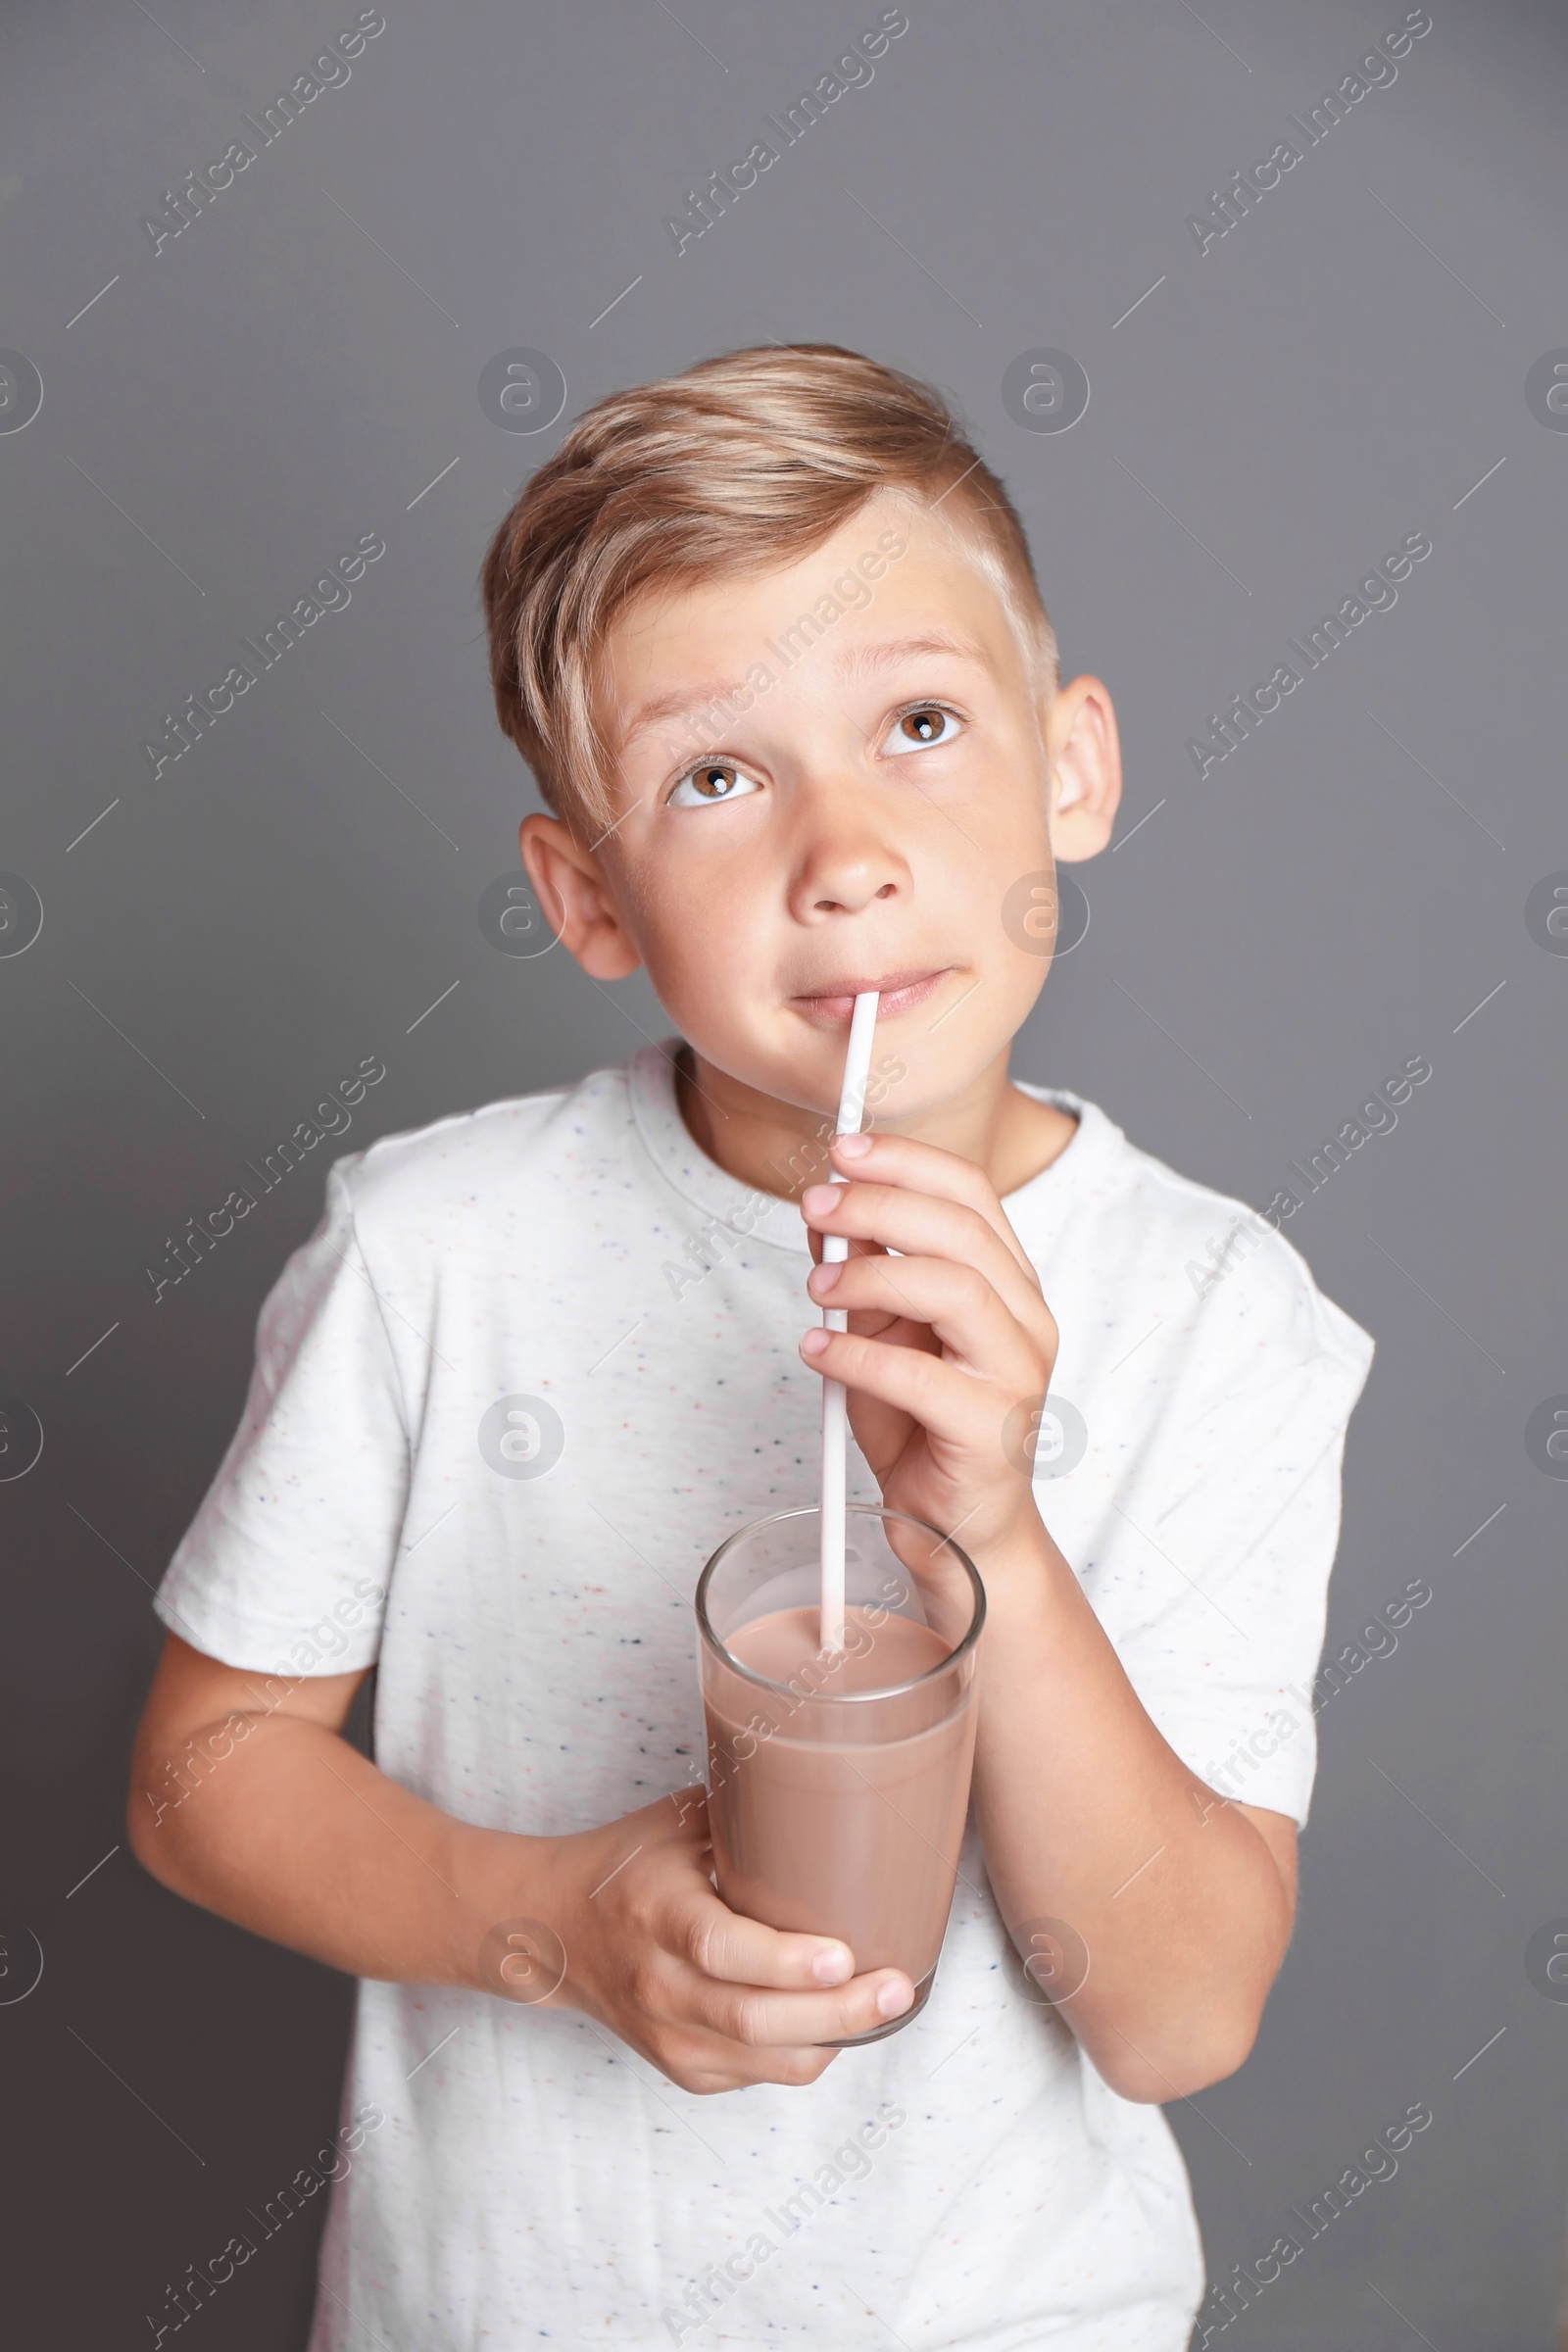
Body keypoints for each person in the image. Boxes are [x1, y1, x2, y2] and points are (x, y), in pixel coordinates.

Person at [128, 344, 1373, 2349]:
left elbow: (1178, 2010)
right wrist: (546, 1929)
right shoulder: (436, 1250)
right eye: (714, 776)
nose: (846, 849)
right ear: (587, 894)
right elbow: (203, 1777)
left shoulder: (1226, 1317)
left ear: (1073, 768)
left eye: (917, 723)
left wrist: (989, 1531)